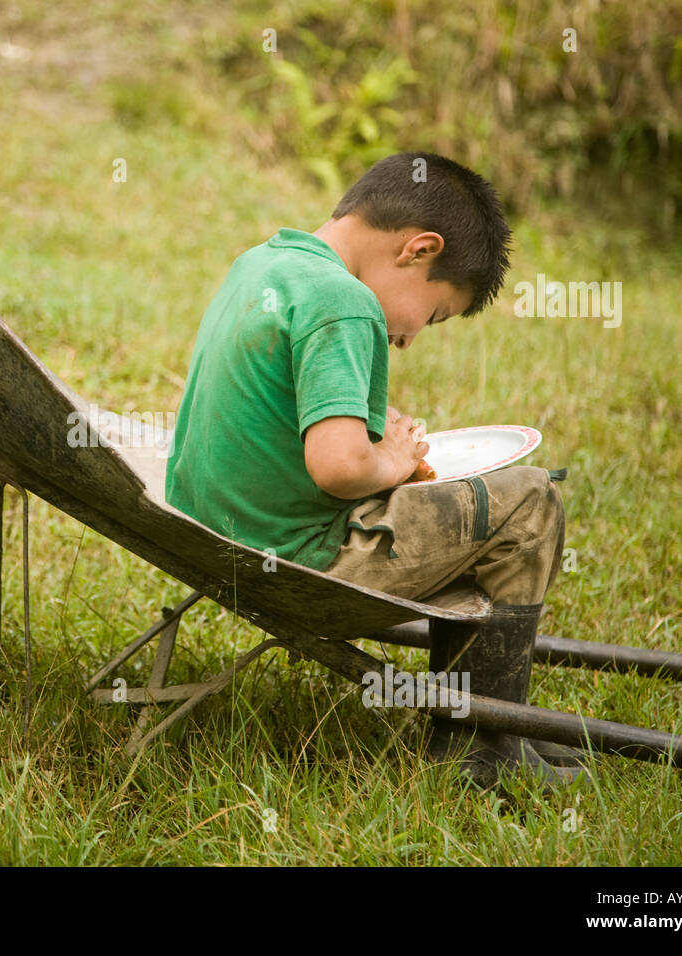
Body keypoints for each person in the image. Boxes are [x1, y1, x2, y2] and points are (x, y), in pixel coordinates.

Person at [165, 152, 577, 790]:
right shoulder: (346, 303)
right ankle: (481, 748)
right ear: (418, 249)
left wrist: (376, 437)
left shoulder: (264, 264)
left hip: (213, 536)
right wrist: (395, 459)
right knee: (530, 498)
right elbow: (339, 467)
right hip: (297, 559)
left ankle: (481, 723)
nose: (411, 336)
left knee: (475, 501)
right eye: (433, 314)